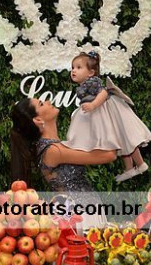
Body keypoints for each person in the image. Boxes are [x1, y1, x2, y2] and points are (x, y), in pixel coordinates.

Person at [11, 98, 116, 228]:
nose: (48, 101)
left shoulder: (54, 147)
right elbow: (109, 155)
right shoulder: (53, 151)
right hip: (79, 217)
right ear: (38, 120)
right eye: (41, 104)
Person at [61, 51, 151, 182]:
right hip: (101, 112)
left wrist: (93, 105)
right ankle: (130, 168)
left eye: (78, 67)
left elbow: (104, 93)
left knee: (125, 136)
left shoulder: (92, 82)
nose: (73, 71)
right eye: (73, 67)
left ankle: (140, 164)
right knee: (121, 139)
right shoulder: (84, 84)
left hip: (109, 110)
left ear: (91, 72)